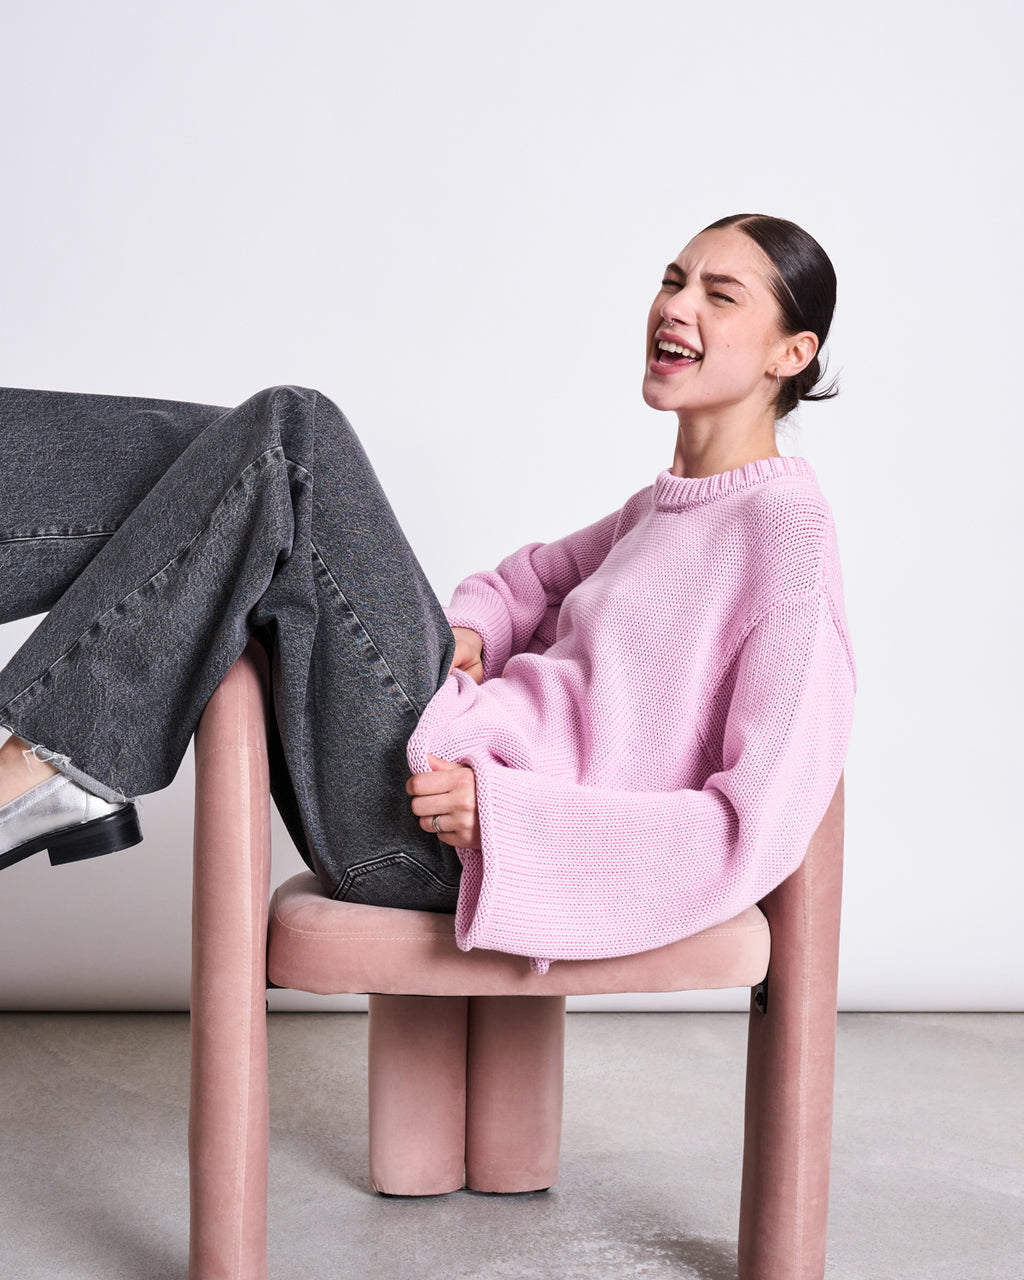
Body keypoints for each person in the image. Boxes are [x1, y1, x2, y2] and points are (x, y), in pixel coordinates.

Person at [0, 213, 855, 975]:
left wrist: (517, 824)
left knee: (291, 438)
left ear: (793, 353)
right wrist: (476, 625)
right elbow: (527, 581)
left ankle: (50, 764)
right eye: (672, 280)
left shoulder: (786, 532)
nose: (676, 306)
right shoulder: (660, 509)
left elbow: (757, 828)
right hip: (432, 759)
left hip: (448, 838)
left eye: (721, 294)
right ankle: (59, 770)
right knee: (210, 453)